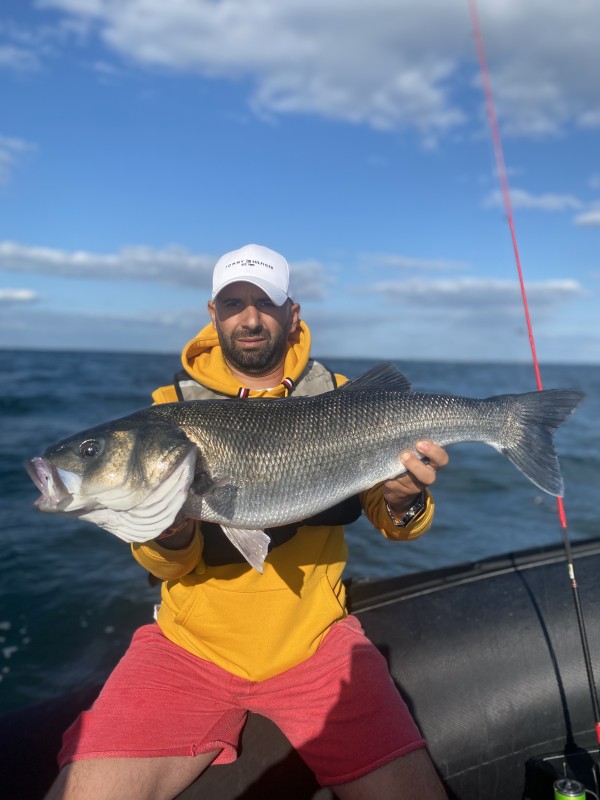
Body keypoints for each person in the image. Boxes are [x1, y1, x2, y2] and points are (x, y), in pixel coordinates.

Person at [45, 244, 449, 800]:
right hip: (190, 648)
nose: (250, 317)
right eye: (234, 303)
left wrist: (403, 499)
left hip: (317, 643)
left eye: (266, 302)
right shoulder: (168, 409)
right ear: (214, 315)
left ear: (292, 314)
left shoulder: (344, 398)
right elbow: (170, 563)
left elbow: (393, 520)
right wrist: (168, 528)